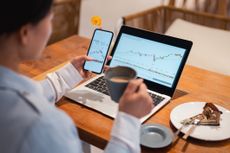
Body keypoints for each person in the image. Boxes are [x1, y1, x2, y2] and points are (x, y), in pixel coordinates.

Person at [0, 0, 153, 153]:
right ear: (25, 33)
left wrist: (66, 76)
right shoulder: (43, 125)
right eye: (50, 20)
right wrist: (128, 120)